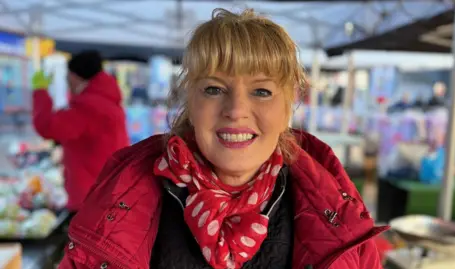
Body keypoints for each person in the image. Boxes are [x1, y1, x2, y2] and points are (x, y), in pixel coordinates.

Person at [58, 9, 387, 269]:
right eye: (214, 89)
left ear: (288, 104)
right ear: (191, 101)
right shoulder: (121, 198)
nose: (237, 110)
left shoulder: (334, 208)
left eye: (261, 91)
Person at [31, 50, 129, 212]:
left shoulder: (88, 107)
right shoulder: (107, 101)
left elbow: (48, 127)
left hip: (91, 195)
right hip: (108, 190)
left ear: (74, 77)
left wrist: (40, 92)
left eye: (67, 78)